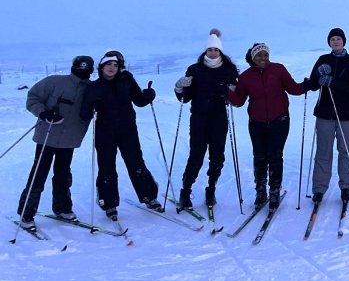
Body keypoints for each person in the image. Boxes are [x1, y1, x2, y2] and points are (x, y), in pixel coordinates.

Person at [80, 51, 162, 220]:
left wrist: (149, 95)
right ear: (102, 67)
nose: (112, 68)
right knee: (107, 167)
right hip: (105, 132)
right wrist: (89, 103)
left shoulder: (127, 81)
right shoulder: (94, 87)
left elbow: (139, 100)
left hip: (128, 130)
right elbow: (85, 114)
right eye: (108, 64)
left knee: (136, 163)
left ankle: (149, 197)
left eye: (115, 65)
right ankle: (109, 204)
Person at [227, 43, 309, 210]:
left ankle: (274, 191)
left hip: (280, 120)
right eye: (259, 55)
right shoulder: (246, 77)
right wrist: (226, 92)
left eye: (265, 55)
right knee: (259, 157)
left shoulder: (278, 70)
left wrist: (308, 84)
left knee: (275, 156)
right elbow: (239, 101)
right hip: (257, 123)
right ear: (252, 57)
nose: (263, 58)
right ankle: (260, 190)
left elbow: (293, 88)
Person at [17, 56, 95, 230]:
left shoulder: (91, 88)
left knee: (63, 174)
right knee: (39, 174)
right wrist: (43, 113)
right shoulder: (54, 81)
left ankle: (62, 208)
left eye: (86, 69)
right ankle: (26, 213)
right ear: (73, 67)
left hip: (70, 139)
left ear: (91, 70)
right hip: (47, 136)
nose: (82, 72)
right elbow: (33, 98)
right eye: (79, 68)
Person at [174, 29, 239, 209]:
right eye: (210, 50)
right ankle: (185, 191)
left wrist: (231, 91)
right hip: (199, 118)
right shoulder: (195, 70)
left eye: (216, 50)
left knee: (217, 156)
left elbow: (236, 97)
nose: (213, 53)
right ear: (205, 51)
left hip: (219, 119)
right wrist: (179, 87)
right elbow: (184, 98)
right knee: (196, 155)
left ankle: (211, 189)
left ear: (220, 52)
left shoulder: (228, 70)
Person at [306, 28, 349, 204]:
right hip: (324, 113)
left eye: (338, 39)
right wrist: (318, 74)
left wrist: (333, 82)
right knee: (323, 151)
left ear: (344, 41)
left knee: (346, 150)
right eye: (333, 39)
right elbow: (313, 85)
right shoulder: (323, 59)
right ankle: (319, 188)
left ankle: (346, 186)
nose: (336, 42)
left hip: (346, 114)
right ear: (329, 42)